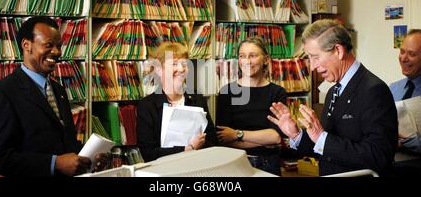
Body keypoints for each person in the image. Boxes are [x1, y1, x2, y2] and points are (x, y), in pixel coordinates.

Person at [267, 19, 398, 176]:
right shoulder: (333, 91)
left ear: (338, 51)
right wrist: (296, 135)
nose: (313, 66)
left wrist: (322, 137)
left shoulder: (374, 90)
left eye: (315, 57)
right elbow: (324, 147)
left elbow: (378, 157)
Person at [0, 17, 106, 177]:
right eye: (48, 45)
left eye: (59, 46)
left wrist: (87, 157)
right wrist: (55, 163)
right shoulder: (2, 92)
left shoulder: (58, 90)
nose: (56, 52)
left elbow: (64, 141)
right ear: (27, 45)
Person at [136, 42, 217, 162]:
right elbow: (149, 154)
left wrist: (202, 143)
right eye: (174, 64)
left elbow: (213, 140)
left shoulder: (197, 98)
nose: (181, 69)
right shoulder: (147, 105)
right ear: (159, 70)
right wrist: (188, 149)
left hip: (197, 166)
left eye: (184, 64)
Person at [216, 37, 286, 175]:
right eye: (242, 56)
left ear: (266, 59)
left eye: (252, 56)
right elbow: (223, 138)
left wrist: (237, 134)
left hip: (268, 163)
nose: (247, 61)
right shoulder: (227, 92)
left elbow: (276, 137)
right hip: (235, 163)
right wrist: (264, 141)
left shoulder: (277, 93)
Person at [389, 29, 421, 153]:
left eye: (411, 54)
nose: (403, 58)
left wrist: (405, 142)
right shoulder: (393, 88)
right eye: (402, 52)